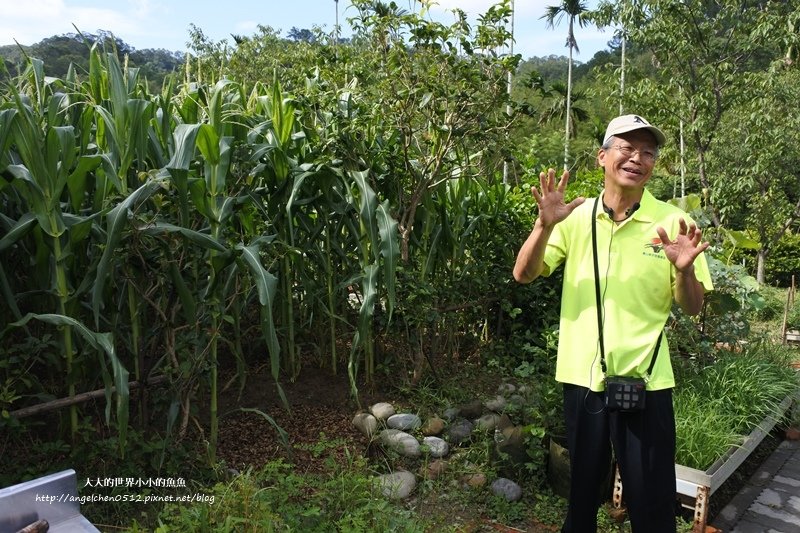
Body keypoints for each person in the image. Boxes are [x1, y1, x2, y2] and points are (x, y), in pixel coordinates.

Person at [513, 114, 714, 533]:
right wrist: (543, 226)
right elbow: (524, 274)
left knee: (652, 499)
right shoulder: (574, 215)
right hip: (582, 377)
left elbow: (692, 307)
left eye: (648, 152)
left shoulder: (674, 222)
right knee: (581, 494)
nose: (637, 158)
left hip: (647, 380)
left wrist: (683, 271)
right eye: (626, 148)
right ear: (603, 156)